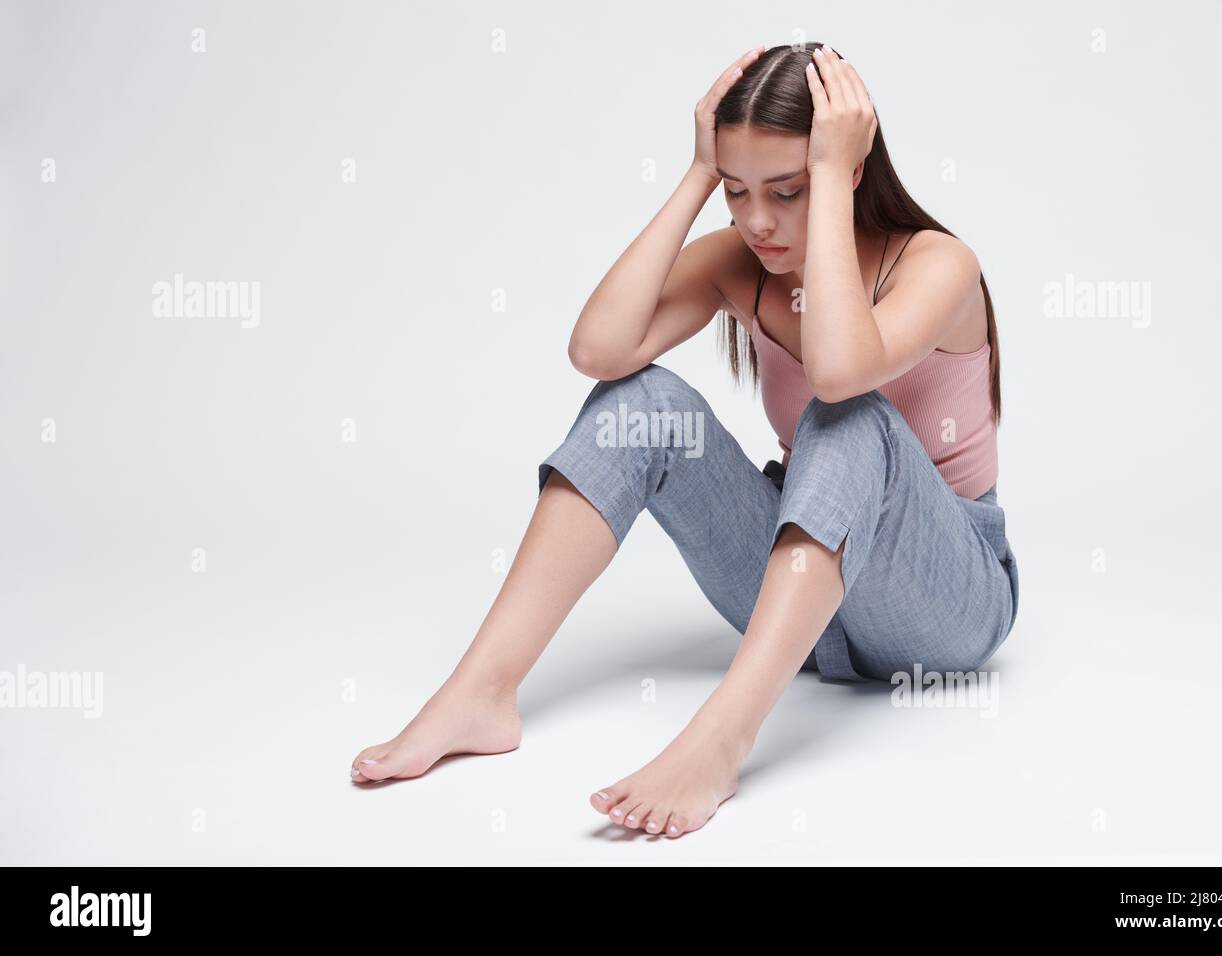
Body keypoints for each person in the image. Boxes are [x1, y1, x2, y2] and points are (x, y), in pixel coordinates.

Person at [351, 42, 1021, 840]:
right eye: (738, 192)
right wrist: (698, 175)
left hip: (943, 605)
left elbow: (841, 371)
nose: (758, 220)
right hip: (806, 594)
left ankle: (718, 742)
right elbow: (597, 350)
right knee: (642, 398)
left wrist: (835, 179)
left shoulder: (939, 264)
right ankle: (480, 693)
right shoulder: (743, 262)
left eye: (789, 190)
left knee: (845, 418)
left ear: (846, 171)